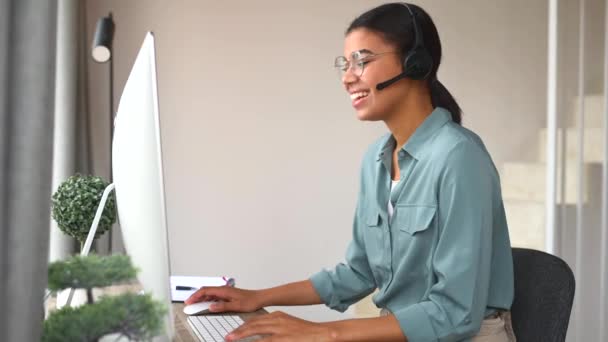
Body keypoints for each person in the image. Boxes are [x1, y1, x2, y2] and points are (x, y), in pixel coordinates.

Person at [186, 3, 516, 341]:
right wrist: (257, 297)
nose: (347, 77)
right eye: (345, 64)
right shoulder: (376, 160)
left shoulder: (460, 158)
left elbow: (454, 314)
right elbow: (358, 273)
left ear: (415, 63)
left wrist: (324, 333)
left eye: (362, 61)